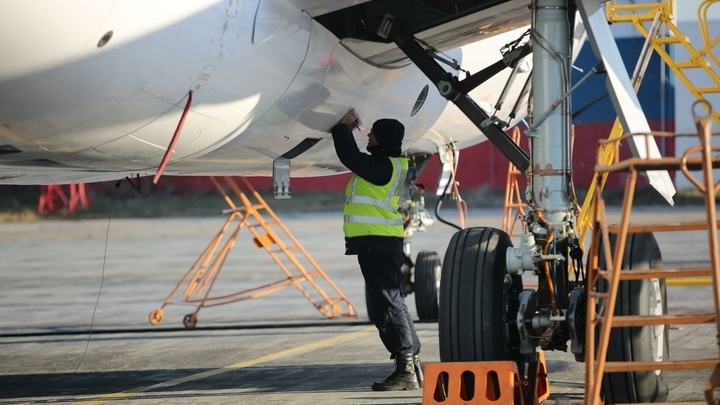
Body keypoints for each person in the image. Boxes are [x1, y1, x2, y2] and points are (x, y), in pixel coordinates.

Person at [330, 109, 423, 391]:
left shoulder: (382, 168)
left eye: (372, 133)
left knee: (386, 303)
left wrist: (342, 128)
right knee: (392, 301)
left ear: (381, 139)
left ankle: (406, 366)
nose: (367, 135)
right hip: (382, 240)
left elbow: (350, 157)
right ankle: (411, 362)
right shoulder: (393, 164)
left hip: (376, 241)